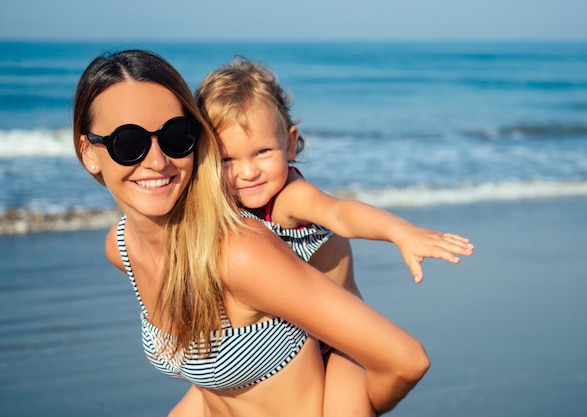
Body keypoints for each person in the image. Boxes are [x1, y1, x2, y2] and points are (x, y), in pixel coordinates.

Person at [74, 49, 430, 417]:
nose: (157, 160)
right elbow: (216, 380)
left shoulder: (244, 248)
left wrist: (401, 232)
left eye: (175, 136)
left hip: (337, 356)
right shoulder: (121, 248)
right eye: (128, 143)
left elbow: (405, 359)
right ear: (89, 153)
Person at [194, 57, 474, 416]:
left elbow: (341, 213)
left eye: (262, 151)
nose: (248, 172)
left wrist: (401, 232)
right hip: (290, 346)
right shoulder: (222, 201)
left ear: (290, 143)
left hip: (340, 345)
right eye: (227, 159)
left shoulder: (288, 198)